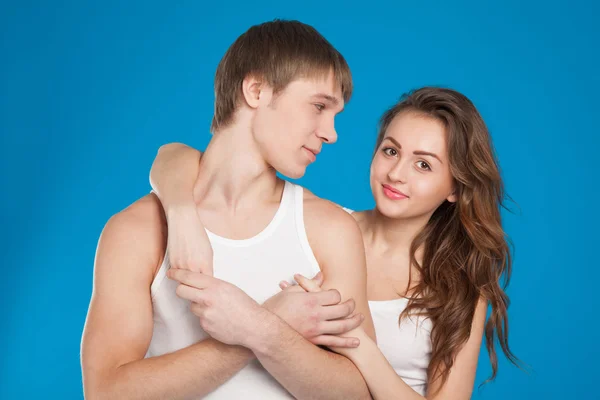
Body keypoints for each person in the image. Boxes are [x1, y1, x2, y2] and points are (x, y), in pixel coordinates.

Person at [150, 87, 520, 399]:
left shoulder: (461, 284)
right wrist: (181, 213)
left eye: (423, 165)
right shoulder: (321, 227)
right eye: (391, 151)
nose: (396, 173)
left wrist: (358, 345)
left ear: (455, 187)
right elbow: (174, 155)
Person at [80, 19, 376, 400]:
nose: (331, 133)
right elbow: (106, 393)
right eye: (319, 106)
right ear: (256, 90)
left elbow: (360, 392)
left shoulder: (330, 230)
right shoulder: (137, 231)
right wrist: (263, 327)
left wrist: (258, 328)